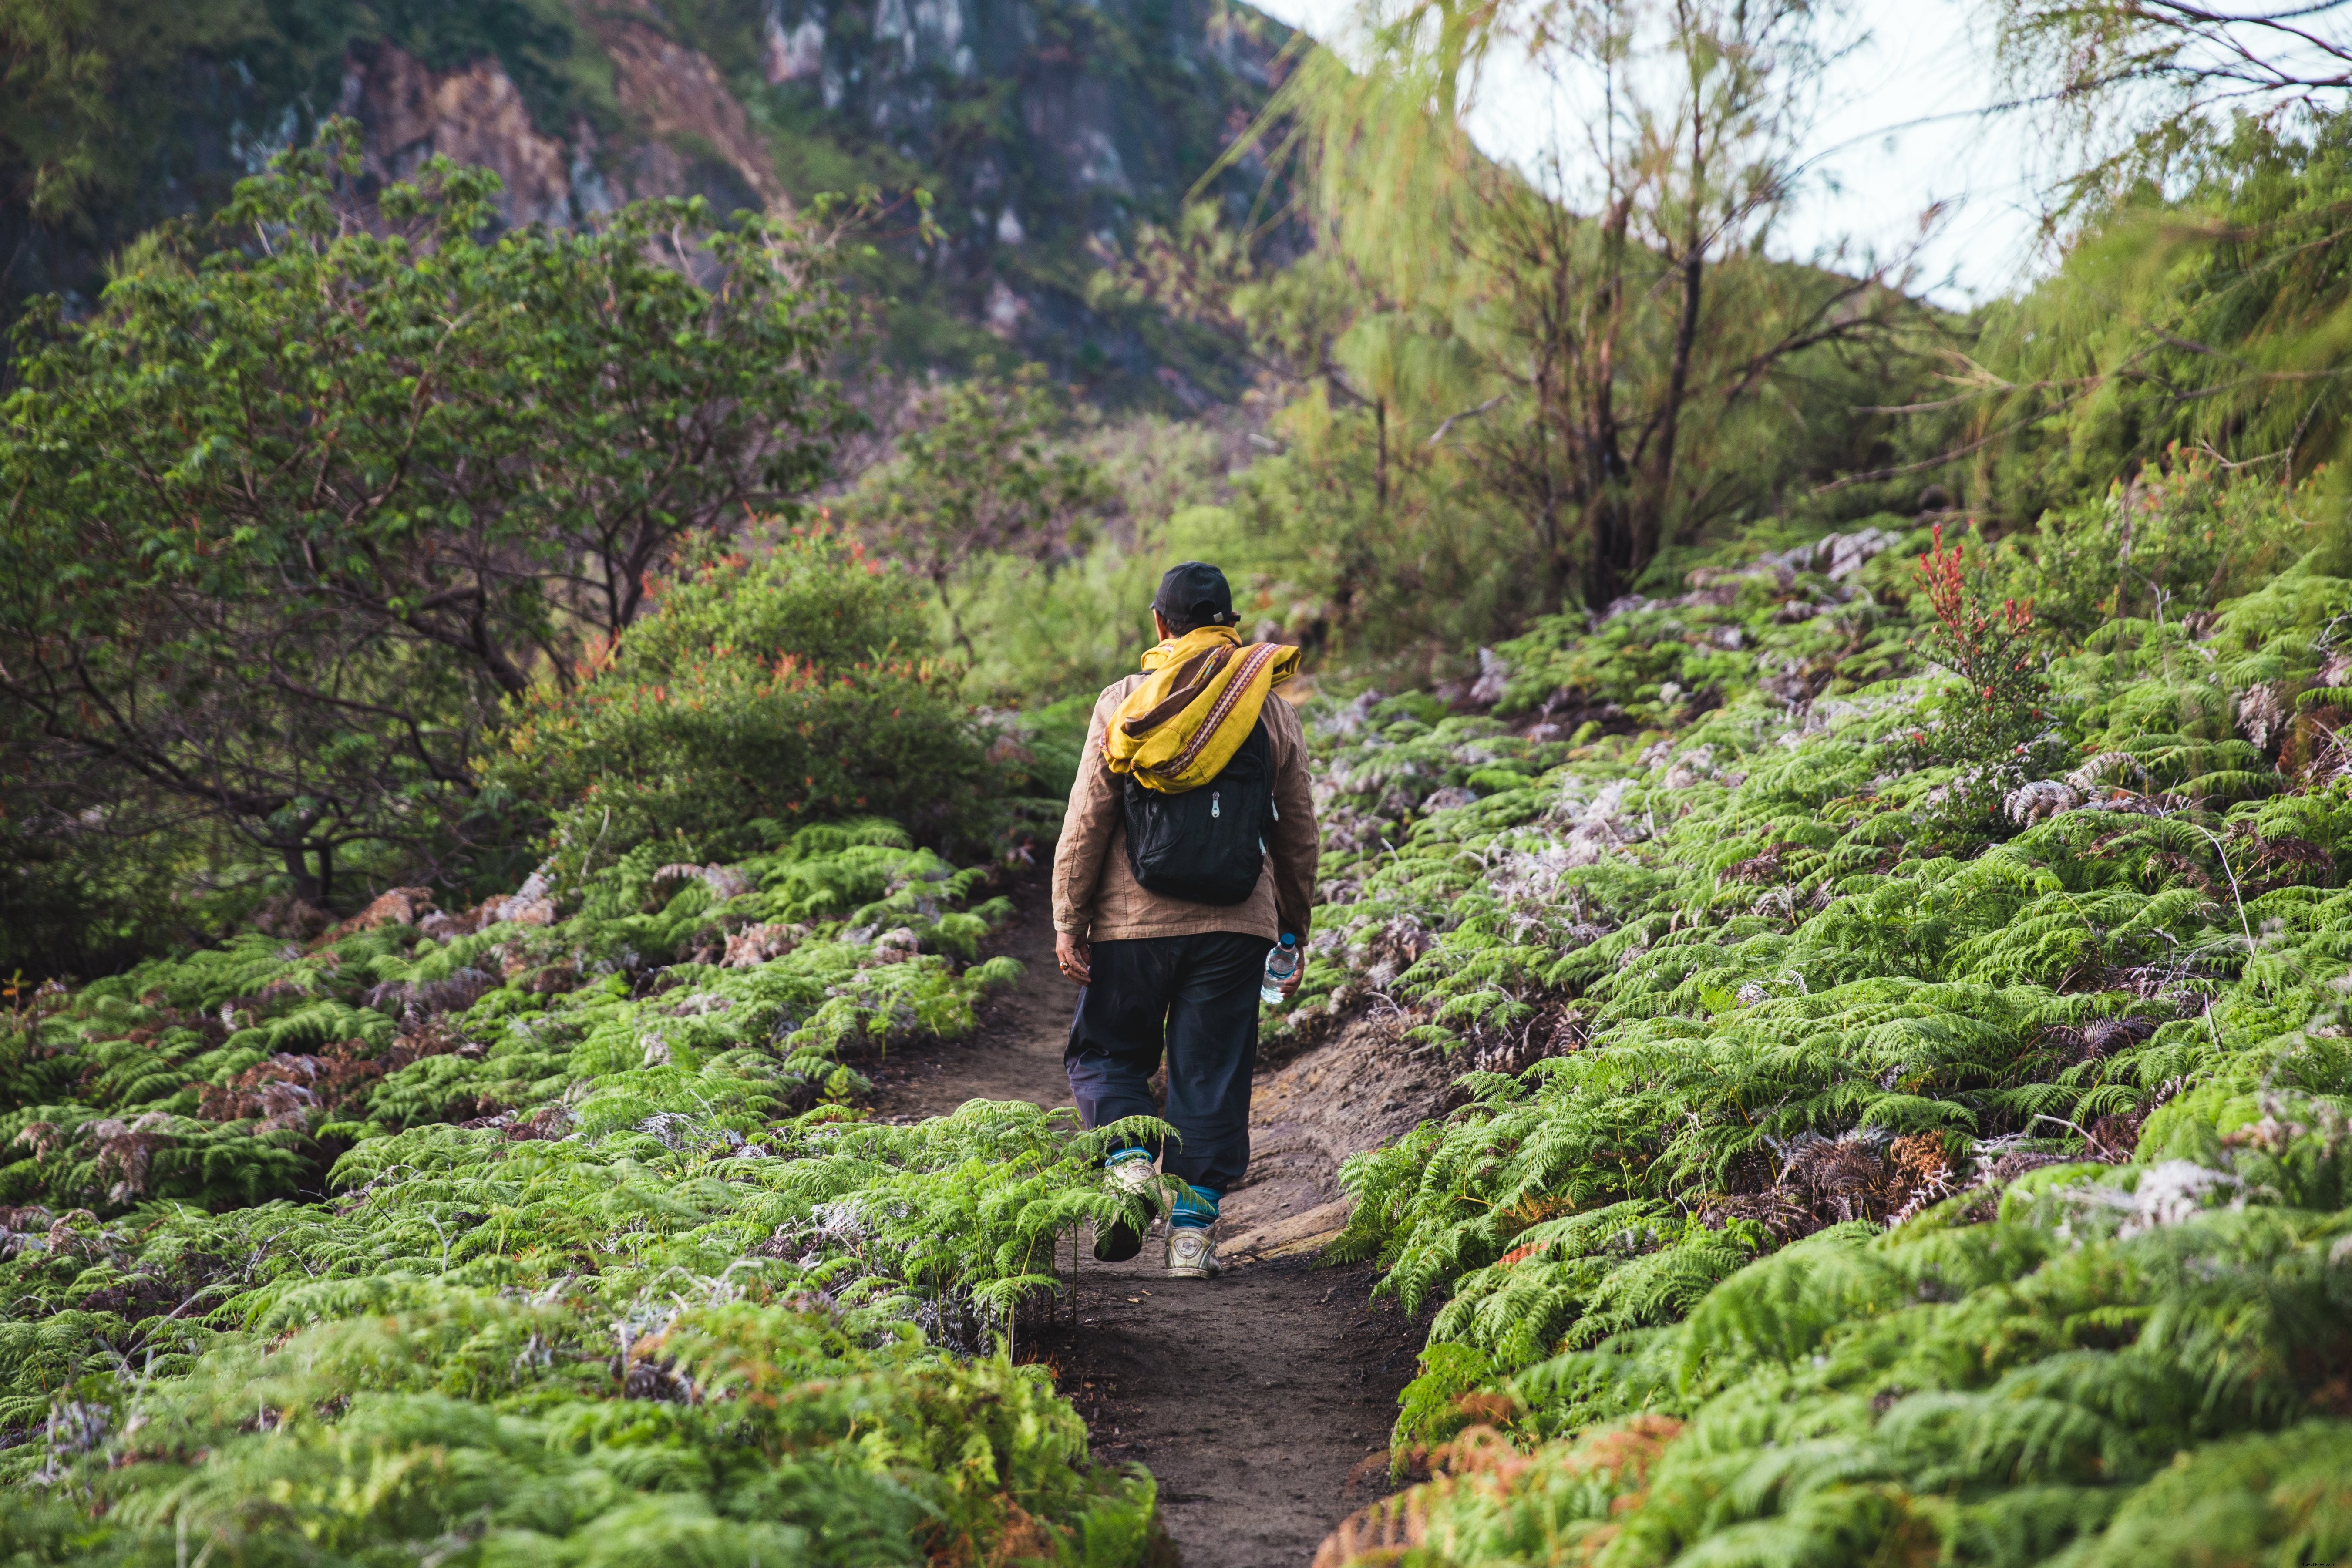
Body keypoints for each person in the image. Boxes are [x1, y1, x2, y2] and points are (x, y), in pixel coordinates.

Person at [1052, 561, 1319, 1279]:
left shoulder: (1127, 700)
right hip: (1237, 926)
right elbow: (1297, 830)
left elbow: (1087, 819)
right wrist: (1292, 926)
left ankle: (1132, 1163)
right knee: (1213, 1076)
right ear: (1228, 624)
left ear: (1160, 624)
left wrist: (1068, 917)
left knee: (1105, 1054)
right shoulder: (1270, 706)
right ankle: (1192, 1240)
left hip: (1129, 925)